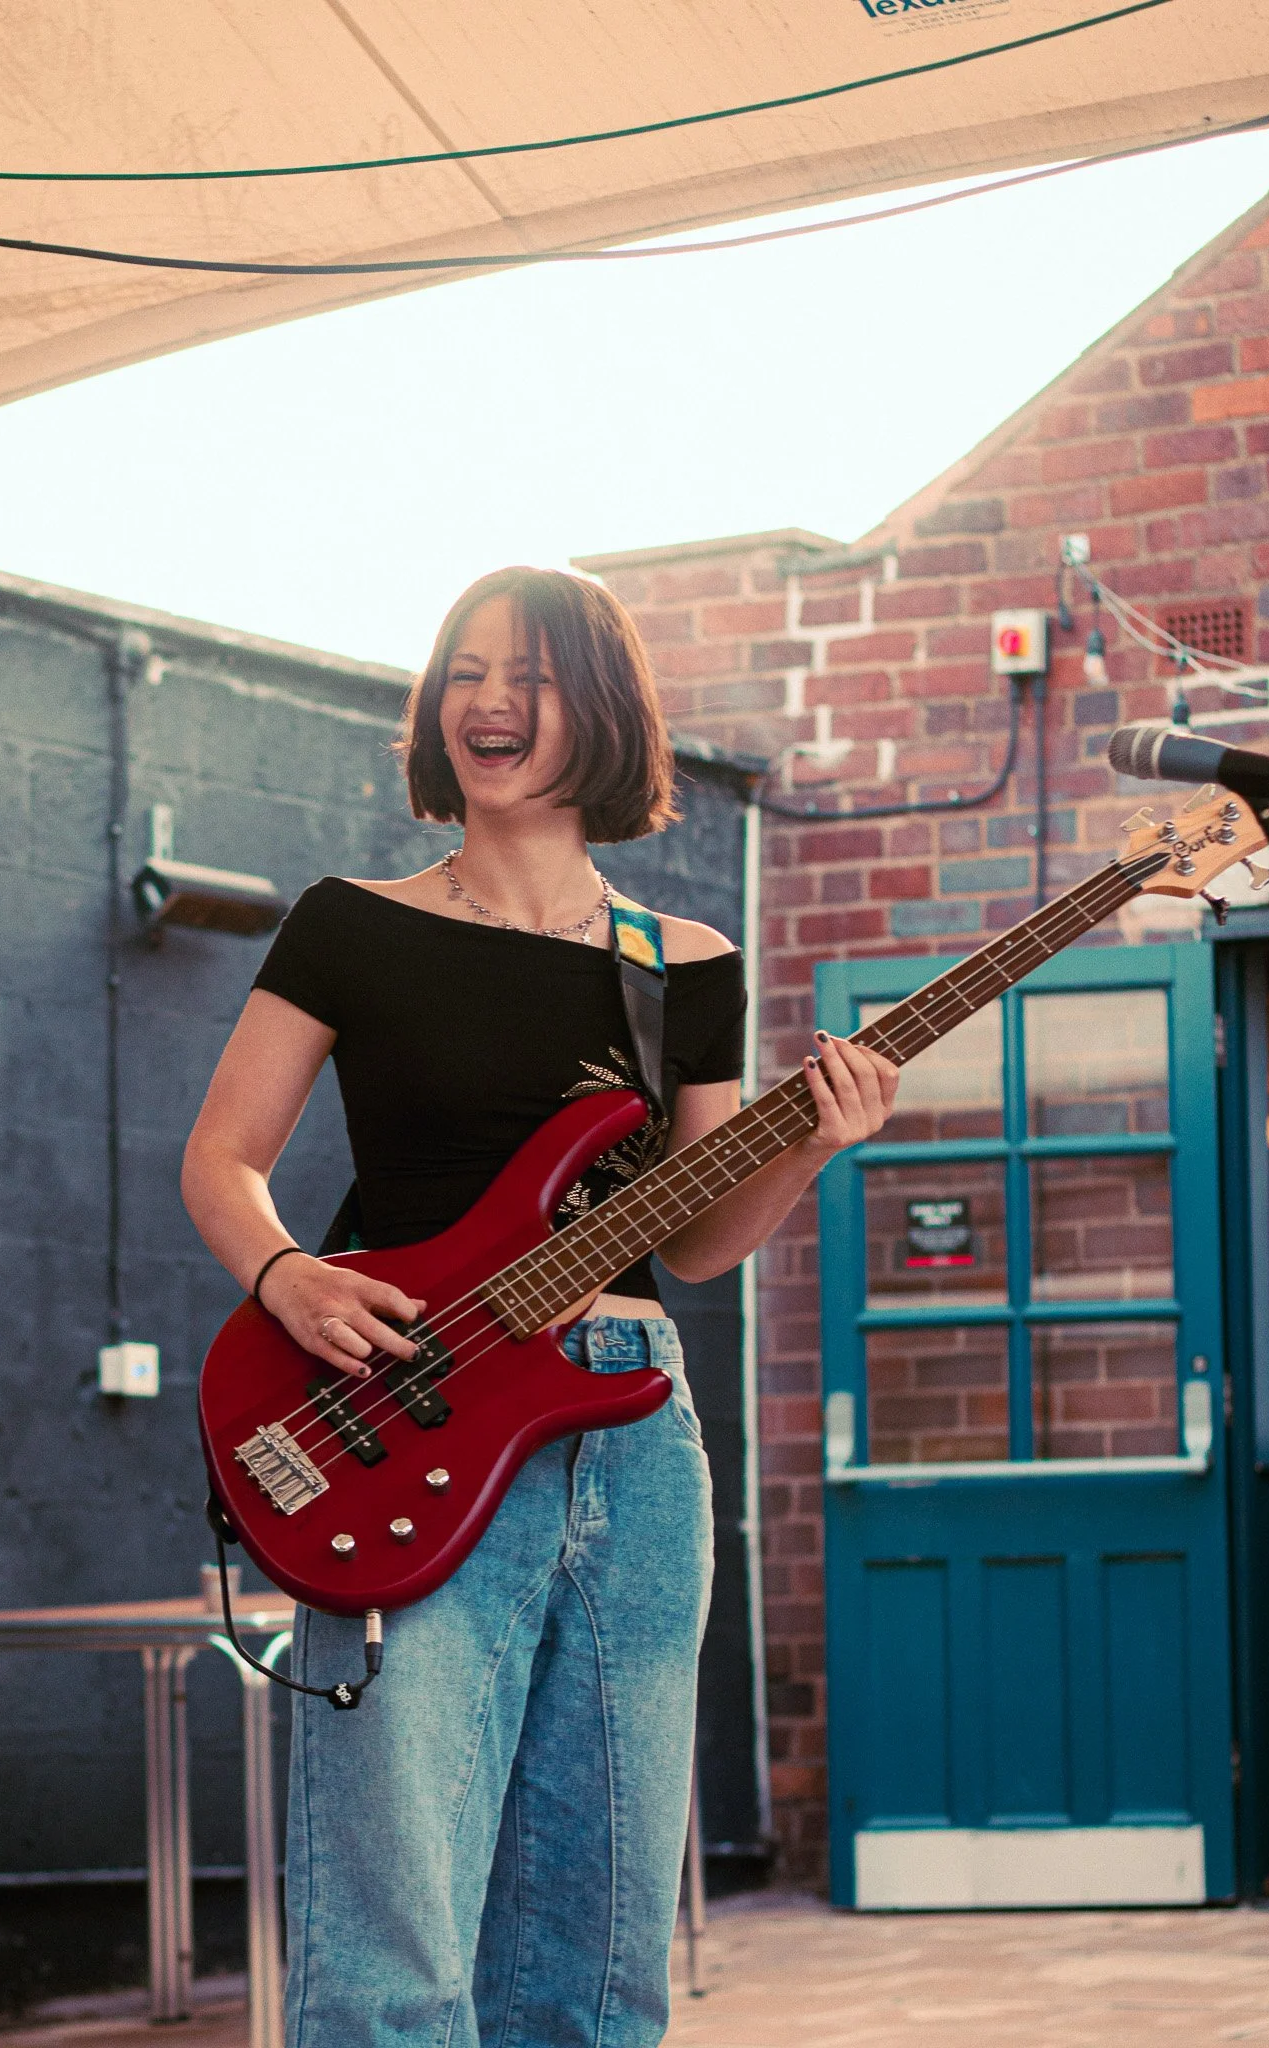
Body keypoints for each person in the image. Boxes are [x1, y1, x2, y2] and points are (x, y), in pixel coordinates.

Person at [181, 566, 897, 2048]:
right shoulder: (351, 925)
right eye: (465, 672)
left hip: (633, 1437)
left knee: (598, 1946)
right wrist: (287, 1274)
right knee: (394, 1943)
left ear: (604, 708)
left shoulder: (681, 964)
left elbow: (695, 1243)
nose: (490, 703)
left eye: (531, 676)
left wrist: (813, 1147)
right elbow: (222, 1160)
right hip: (412, 1409)